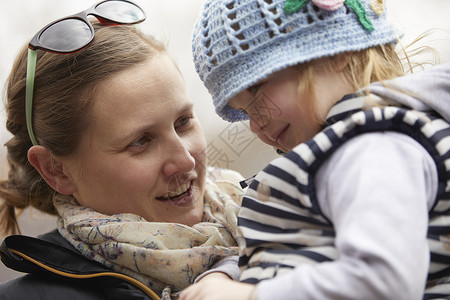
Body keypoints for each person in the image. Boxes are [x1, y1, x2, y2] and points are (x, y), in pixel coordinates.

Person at [183, 0, 450, 299]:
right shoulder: (345, 153)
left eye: (257, 87)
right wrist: (229, 273)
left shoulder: (375, 150)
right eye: (243, 111)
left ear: (335, 51)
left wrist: (247, 296)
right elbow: (303, 250)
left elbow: (383, 281)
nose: (255, 126)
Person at [0, 1, 245, 299]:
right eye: (141, 141)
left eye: (183, 122)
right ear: (56, 169)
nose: (185, 160)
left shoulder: (285, 216)